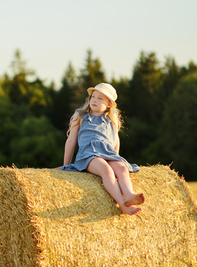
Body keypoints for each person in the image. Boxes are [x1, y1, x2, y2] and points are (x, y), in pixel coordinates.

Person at [60, 83, 145, 215]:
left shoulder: (111, 118)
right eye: (93, 97)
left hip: (108, 154)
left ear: (109, 104)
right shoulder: (81, 115)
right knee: (106, 170)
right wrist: (66, 165)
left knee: (122, 168)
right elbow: (71, 141)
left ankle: (129, 195)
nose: (94, 100)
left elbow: (116, 140)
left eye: (100, 98)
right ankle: (122, 205)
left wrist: (116, 159)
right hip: (88, 155)